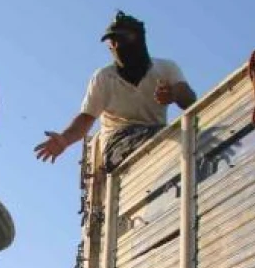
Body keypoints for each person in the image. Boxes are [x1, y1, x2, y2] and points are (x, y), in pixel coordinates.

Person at [35, 10, 197, 172]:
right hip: (118, 141)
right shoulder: (104, 77)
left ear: (139, 38)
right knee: (166, 138)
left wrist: (174, 94)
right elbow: (86, 118)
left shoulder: (166, 69)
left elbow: (188, 98)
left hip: (159, 134)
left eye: (122, 38)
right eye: (112, 42)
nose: (117, 46)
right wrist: (64, 139)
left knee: (191, 135)